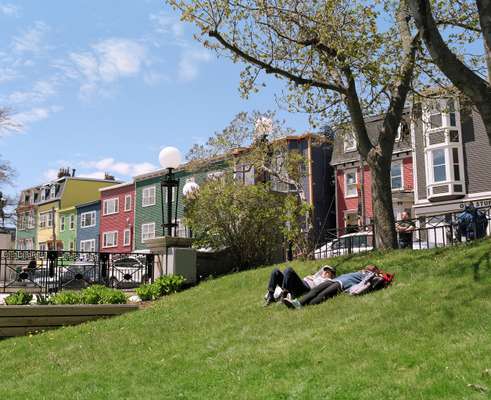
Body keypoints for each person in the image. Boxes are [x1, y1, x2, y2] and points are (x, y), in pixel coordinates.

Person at [282, 265, 379, 309]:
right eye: (369, 267)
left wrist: (378, 274)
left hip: (341, 285)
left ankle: (303, 306)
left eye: (372, 268)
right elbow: (321, 271)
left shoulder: (368, 275)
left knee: (322, 295)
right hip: (333, 281)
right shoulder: (359, 272)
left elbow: (375, 280)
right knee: (315, 290)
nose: (369, 267)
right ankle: (297, 303)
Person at [264, 265, 336, 306]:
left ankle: (284, 296)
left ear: (332, 275)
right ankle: (271, 296)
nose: (325, 272)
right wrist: (321, 272)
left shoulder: (328, 281)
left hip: (305, 288)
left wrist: (330, 275)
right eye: (325, 270)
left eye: (328, 271)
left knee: (289, 270)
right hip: (299, 283)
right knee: (275, 271)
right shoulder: (317, 275)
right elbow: (322, 269)